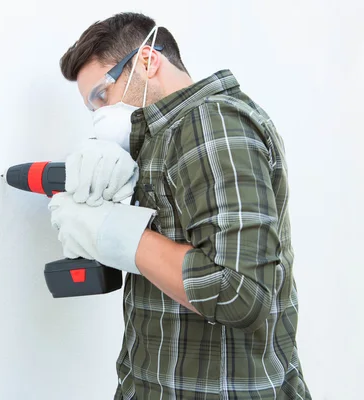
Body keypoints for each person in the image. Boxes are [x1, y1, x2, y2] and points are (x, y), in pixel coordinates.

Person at [47, 12, 311, 400]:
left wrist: (113, 232)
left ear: (147, 61)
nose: (101, 113)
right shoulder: (171, 136)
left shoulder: (212, 121)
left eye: (101, 95)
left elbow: (239, 291)